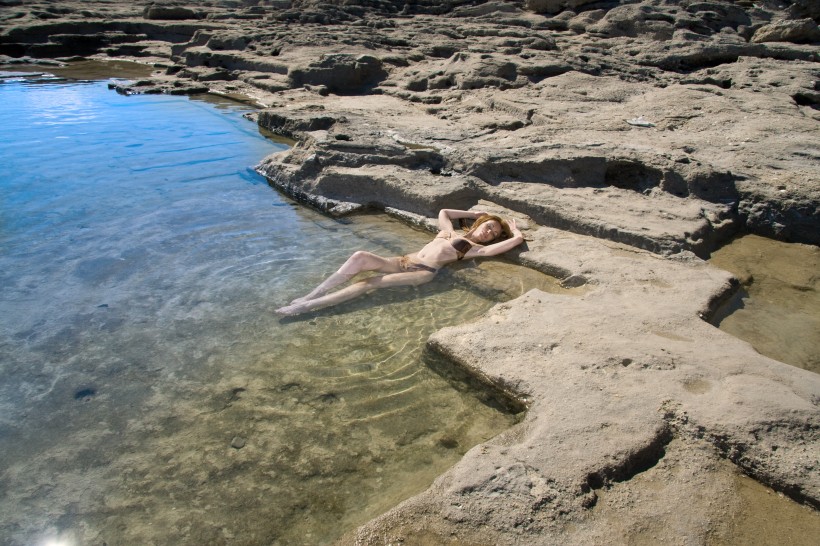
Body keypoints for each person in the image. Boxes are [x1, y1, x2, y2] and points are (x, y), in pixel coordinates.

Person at [275, 208, 525, 316]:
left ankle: (306, 307)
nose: (488, 233)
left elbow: (498, 249)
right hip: (404, 260)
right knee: (360, 256)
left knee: (367, 283)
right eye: (488, 227)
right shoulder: (450, 233)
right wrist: (474, 214)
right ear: (481, 223)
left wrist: (517, 235)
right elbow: (444, 213)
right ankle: (311, 294)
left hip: (423, 271)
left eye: (493, 233)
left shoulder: (474, 249)